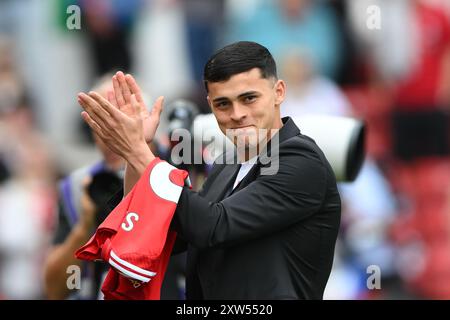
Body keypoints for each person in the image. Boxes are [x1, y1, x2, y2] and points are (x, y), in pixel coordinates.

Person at [77, 41, 341, 299]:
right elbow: (164, 233)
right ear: (210, 104)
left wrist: (138, 152)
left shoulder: (302, 160)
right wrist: (138, 151)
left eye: (249, 98)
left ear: (279, 92)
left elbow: (215, 226)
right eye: (223, 104)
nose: (237, 114)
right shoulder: (227, 165)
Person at [44, 76, 125, 300]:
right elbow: (57, 289)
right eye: (100, 118)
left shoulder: (171, 174)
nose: (110, 129)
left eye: (120, 116)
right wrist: (84, 228)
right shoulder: (78, 187)